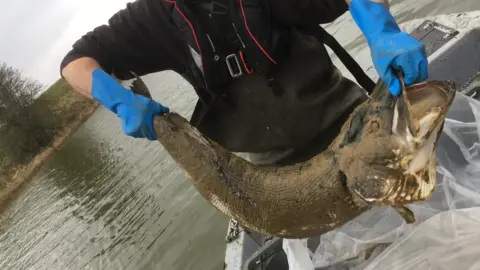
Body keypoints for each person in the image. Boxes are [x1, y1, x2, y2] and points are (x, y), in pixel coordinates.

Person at [60, 0, 427, 166]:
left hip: (359, 128)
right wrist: (118, 98)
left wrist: (380, 28)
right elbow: (74, 63)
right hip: (273, 166)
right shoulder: (151, 17)